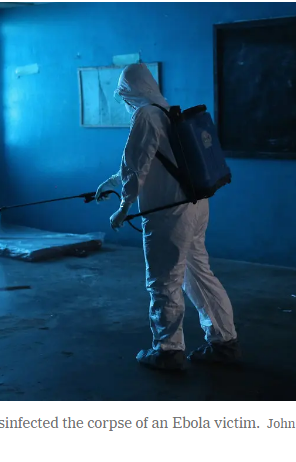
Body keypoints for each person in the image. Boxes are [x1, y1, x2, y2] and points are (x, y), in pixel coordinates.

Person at [95, 63, 240, 371]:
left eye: (122, 93)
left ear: (130, 91)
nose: (122, 100)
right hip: (195, 204)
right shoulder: (168, 111)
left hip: (168, 213)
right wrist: (111, 183)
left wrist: (123, 208)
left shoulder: (145, 115)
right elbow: (155, 162)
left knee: (164, 280)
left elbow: (136, 167)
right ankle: (224, 341)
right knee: (198, 274)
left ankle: (167, 350)